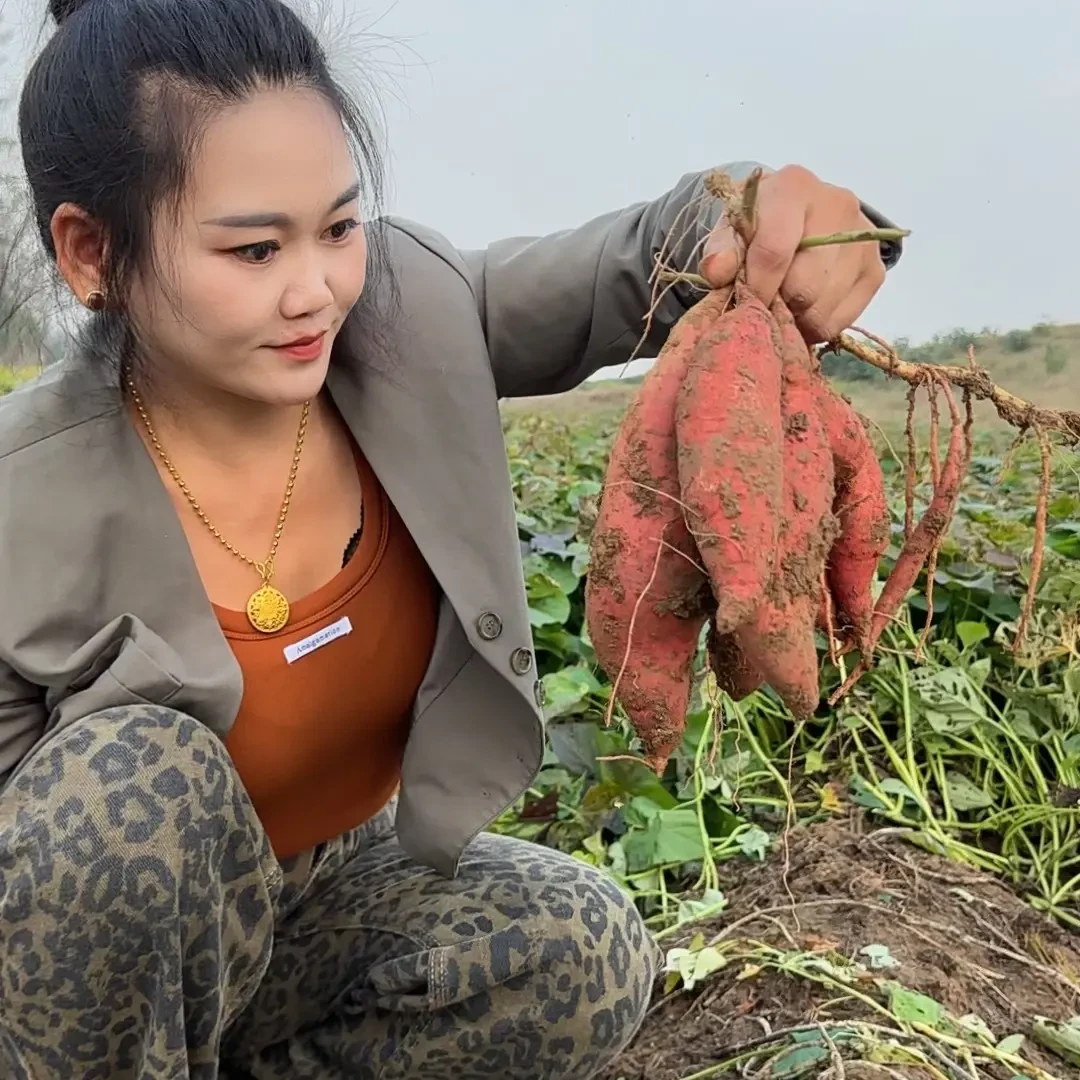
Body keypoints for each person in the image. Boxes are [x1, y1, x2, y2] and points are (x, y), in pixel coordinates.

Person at [0, 0, 903, 1076]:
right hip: (76, 1000)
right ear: (91, 251)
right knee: (129, 787)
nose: (316, 291)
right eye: (252, 249)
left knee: (581, 950)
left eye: (337, 227)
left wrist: (768, 215)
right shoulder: (22, 500)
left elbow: (636, 262)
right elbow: (43, 898)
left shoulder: (406, 313)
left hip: (315, 904)